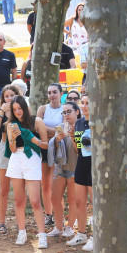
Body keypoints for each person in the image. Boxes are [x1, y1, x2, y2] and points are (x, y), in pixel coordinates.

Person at [4, 96, 48, 248]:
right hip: (16, 159)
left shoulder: (36, 121)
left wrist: (32, 139)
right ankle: (21, 232)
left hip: (32, 159)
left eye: (19, 108)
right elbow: (12, 149)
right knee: (18, 199)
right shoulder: (10, 124)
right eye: (14, 109)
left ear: (25, 107)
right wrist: (13, 138)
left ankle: (42, 234)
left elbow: (46, 145)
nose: (17, 112)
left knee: (35, 200)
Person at [46, 101, 80, 240]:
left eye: (68, 112)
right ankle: (58, 227)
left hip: (75, 168)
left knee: (73, 200)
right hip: (60, 168)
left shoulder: (81, 126)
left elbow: (80, 151)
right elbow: (53, 147)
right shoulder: (60, 127)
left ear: (76, 112)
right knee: (55, 198)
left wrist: (72, 137)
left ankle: (70, 227)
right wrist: (56, 140)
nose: (66, 115)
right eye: (64, 112)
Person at [0, 85, 20, 234]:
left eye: (12, 95)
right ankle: (1, 223)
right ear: (3, 99)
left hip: (20, 149)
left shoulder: (21, 109)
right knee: (4, 189)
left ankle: (20, 224)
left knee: (19, 189)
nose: (9, 99)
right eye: (6, 96)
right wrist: (1, 111)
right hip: (4, 148)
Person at [67, 94, 94, 251]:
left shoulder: (98, 122)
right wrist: (71, 136)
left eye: (88, 103)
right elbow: (78, 149)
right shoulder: (79, 123)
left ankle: (97, 236)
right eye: (82, 103)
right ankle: (82, 234)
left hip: (94, 164)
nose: (84, 106)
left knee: (94, 203)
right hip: (81, 163)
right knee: (79, 201)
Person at [37, 84, 63, 228]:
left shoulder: (64, 109)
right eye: (49, 92)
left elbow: (62, 131)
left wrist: (44, 130)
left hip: (59, 149)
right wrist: (53, 131)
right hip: (44, 148)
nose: (52, 95)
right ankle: (49, 215)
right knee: (45, 184)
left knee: (57, 184)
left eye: (54, 92)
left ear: (60, 93)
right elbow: (36, 126)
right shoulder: (42, 109)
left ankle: (59, 213)